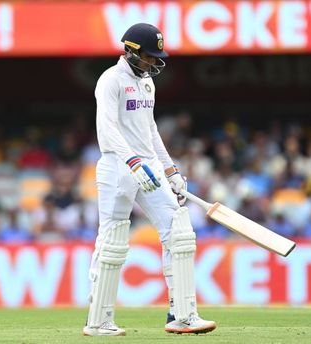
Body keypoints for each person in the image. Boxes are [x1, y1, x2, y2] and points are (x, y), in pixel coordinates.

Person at [83, 23, 216, 336]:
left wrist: (170, 170)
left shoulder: (146, 85)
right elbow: (107, 128)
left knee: (179, 230)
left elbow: (151, 131)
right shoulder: (110, 80)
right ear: (130, 50)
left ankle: (182, 315)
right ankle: (99, 321)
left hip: (150, 166)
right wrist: (131, 162)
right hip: (119, 166)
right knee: (114, 239)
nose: (154, 62)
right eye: (148, 56)